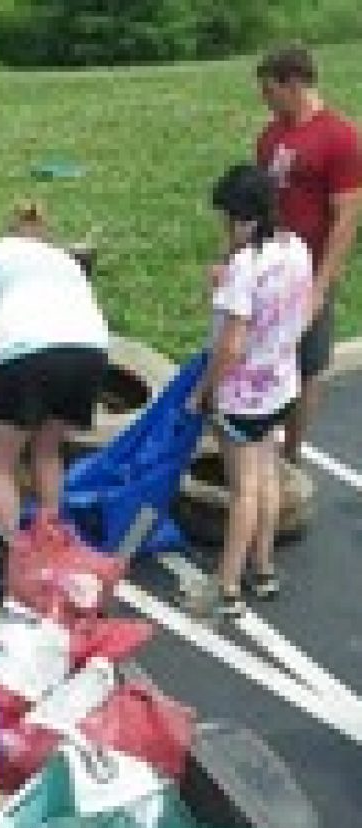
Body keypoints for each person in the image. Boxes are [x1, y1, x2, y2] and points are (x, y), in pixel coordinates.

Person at [190, 164, 312, 616]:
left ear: (239, 218)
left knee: (244, 489)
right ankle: (262, 568)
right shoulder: (296, 249)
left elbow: (232, 343)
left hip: (242, 395)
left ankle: (226, 585)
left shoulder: (245, 267)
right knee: (266, 477)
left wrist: (205, 389)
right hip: (280, 383)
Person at [0, 201, 110, 581]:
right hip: (89, 350)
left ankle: (7, 569)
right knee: (48, 451)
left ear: (9, 230)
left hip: (25, 353)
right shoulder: (62, 258)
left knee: (0, 465)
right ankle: (50, 555)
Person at [255, 43, 362, 464]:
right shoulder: (270, 136)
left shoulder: (339, 137)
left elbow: (347, 218)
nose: (264, 99)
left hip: (308, 271)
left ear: (293, 83)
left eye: (269, 90)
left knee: (306, 364)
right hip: (268, 266)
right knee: (260, 356)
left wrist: (320, 286)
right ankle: (258, 447)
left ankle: (292, 457)